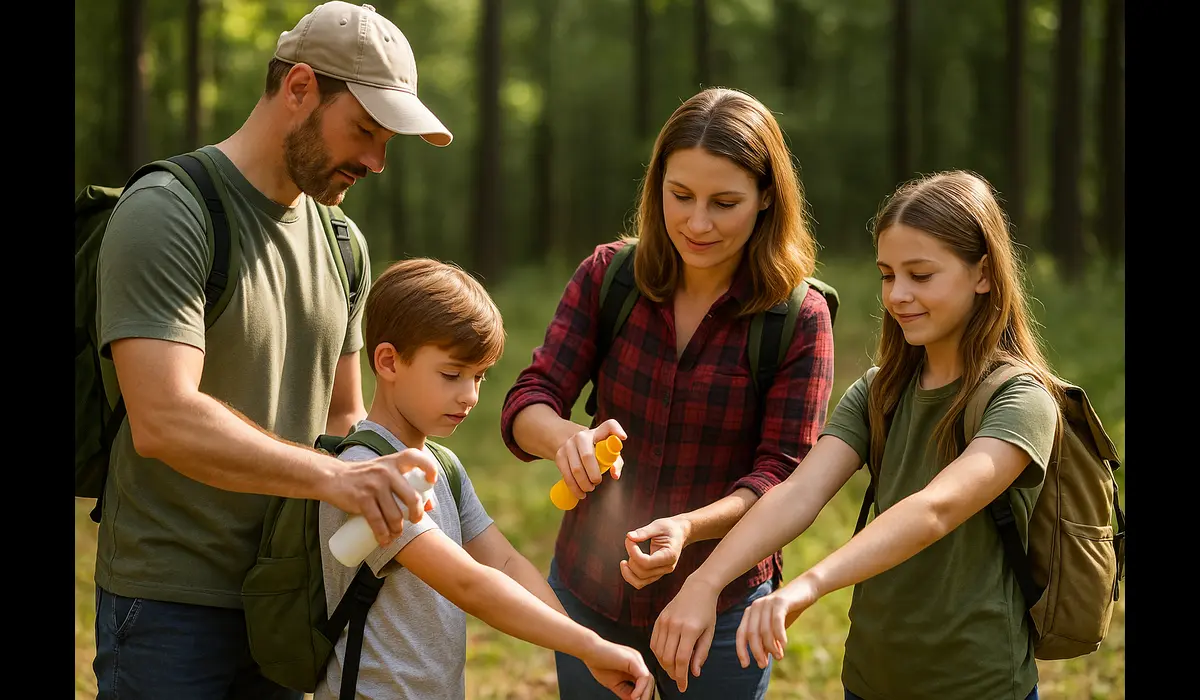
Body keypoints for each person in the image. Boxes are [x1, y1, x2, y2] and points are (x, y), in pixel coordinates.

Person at [92, 3, 454, 698]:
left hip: (287, 599)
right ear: (299, 88)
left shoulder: (344, 244)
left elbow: (344, 417)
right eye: (365, 131)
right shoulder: (169, 211)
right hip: (169, 602)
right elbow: (163, 418)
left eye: (387, 143)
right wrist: (334, 481)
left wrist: (389, 474)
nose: (376, 162)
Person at [650, 170, 1059, 700]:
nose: (899, 295)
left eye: (921, 275)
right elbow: (799, 492)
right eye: (888, 275)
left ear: (983, 273)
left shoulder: (1021, 399)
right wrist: (705, 581)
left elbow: (934, 510)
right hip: (869, 679)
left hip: (978, 685)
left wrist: (809, 585)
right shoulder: (878, 391)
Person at [499, 87, 836, 698]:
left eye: (724, 203)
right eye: (680, 195)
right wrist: (567, 439)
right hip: (589, 594)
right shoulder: (609, 277)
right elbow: (530, 398)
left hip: (720, 610)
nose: (697, 223)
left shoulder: (797, 318)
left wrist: (688, 528)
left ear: (767, 197)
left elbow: (782, 477)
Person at [316, 258, 654, 700]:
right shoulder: (365, 472)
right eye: (452, 375)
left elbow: (506, 564)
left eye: (478, 376)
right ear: (388, 361)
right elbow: (469, 584)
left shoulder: (444, 466)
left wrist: (581, 647)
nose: (471, 395)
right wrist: (589, 645)